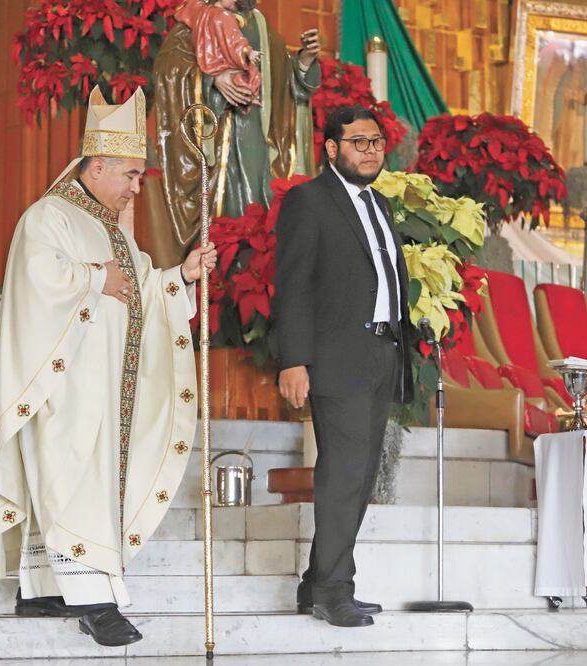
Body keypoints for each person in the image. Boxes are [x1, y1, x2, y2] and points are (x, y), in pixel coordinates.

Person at [0, 86, 218, 647]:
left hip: (109, 389)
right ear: (98, 165)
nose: (136, 187)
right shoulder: (48, 217)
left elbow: (142, 292)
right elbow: (37, 284)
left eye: (140, 177)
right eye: (130, 175)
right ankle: (95, 602)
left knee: (77, 482)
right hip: (65, 388)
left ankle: (41, 587)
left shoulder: (115, 230)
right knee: (71, 481)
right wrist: (93, 277)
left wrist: (181, 276)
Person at [274, 105, 414, 628]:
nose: (371, 151)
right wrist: (294, 360)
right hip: (337, 357)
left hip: (381, 352)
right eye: (358, 142)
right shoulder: (309, 201)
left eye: (376, 142)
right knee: (343, 475)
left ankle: (316, 583)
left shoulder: (379, 203)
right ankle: (334, 592)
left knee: (360, 475)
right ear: (332, 148)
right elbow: (293, 285)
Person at [150, 0, 321, 269]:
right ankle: (221, 279)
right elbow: (169, 70)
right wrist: (212, 80)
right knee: (223, 229)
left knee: (261, 226)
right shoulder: (197, 18)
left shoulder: (260, 26)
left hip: (258, 143)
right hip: (216, 146)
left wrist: (305, 60)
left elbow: (286, 86)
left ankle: (255, 275)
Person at [174, 0, 263, 109]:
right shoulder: (222, 15)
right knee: (250, 75)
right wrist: (211, 79)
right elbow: (236, 42)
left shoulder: (200, 10)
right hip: (217, 70)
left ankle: (249, 97)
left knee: (250, 75)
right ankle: (249, 96)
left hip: (211, 63)